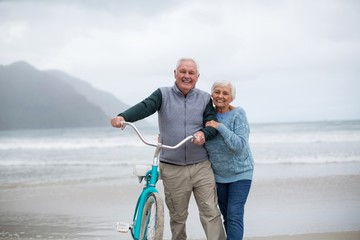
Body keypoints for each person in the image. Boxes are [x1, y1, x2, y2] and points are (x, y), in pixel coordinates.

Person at [111, 58, 225, 240]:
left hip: (201, 166)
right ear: (175, 73)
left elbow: (212, 124)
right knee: (178, 218)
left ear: (197, 77)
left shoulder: (204, 98)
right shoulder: (163, 94)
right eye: (183, 72)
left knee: (211, 212)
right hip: (172, 167)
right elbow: (144, 107)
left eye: (191, 73)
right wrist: (123, 116)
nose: (186, 76)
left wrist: (204, 134)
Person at [205, 80, 254, 240]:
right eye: (217, 92)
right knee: (227, 216)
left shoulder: (238, 114)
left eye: (225, 93)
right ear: (212, 94)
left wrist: (220, 127)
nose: (220, 96)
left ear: (231, 98)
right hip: (219, 175)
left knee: (234, 214)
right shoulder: (206, 115)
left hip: (241, 172)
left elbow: (239, 145)